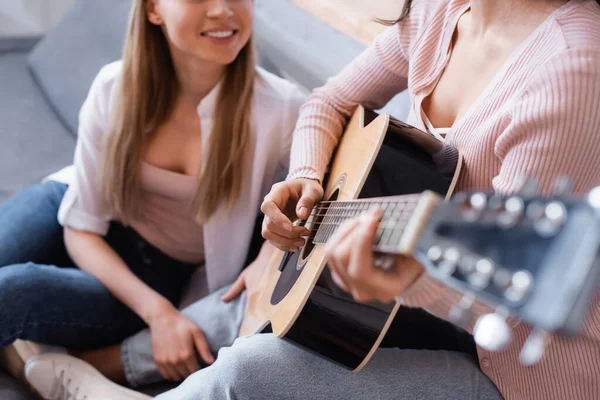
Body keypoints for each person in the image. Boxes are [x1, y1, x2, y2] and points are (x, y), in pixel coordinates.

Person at [26, 0, 600, 399]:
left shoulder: (571, 71)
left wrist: (407, 281)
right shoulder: (442, 11)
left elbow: (514, 303)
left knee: (248, 374)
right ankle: (78, 371)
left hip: (517, 367)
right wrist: (307, 182)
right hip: (418, 284)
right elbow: (327, 104)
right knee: (264, 288)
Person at [1, 0, 303, 396]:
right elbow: (81, 228)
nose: (223, 9)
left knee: (11, 291)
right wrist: (158, 316)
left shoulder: (283, 108)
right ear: (153, 10)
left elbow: (313, 188)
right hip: (74, 209)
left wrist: (266, 260)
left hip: (154, 275)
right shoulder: (113, 87)